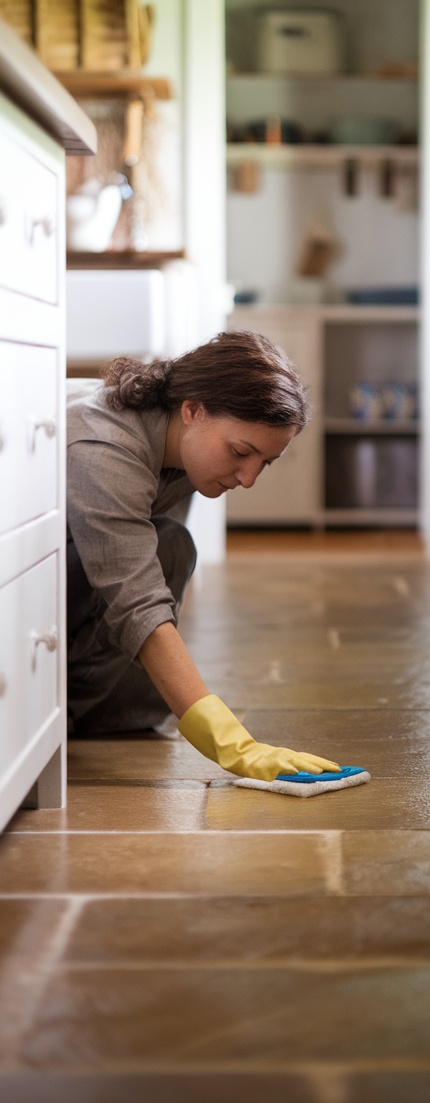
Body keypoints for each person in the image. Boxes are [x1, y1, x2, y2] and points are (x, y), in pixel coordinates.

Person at [66, 329, 339, 782]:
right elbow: (136, 600)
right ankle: (65, 717)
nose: (248, 479)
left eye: (265, 462)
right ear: (192, 409)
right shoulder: (106, 450)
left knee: (169, 544)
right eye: (240, 452)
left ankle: (112, 715)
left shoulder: (182, 445)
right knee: (166, 551)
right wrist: (232, 744)